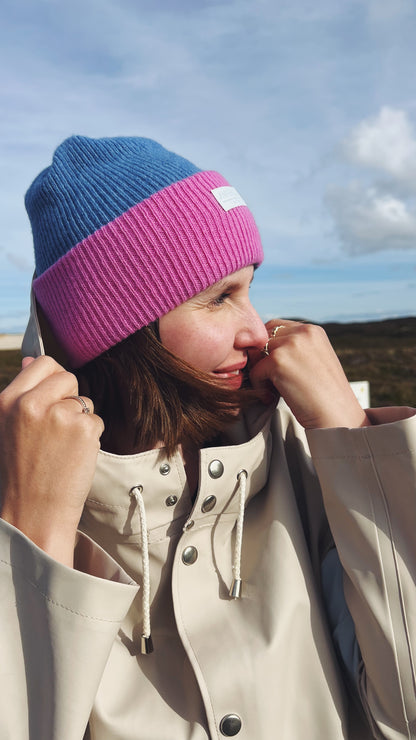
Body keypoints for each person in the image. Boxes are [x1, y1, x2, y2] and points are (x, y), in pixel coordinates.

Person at [0, 136, 415, 740]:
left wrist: (356, 442)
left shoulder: (307, 457)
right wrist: (30, 540)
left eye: (249, 288)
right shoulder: (21, 496)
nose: (257, 329)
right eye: (220, 297)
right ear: (119, 332)